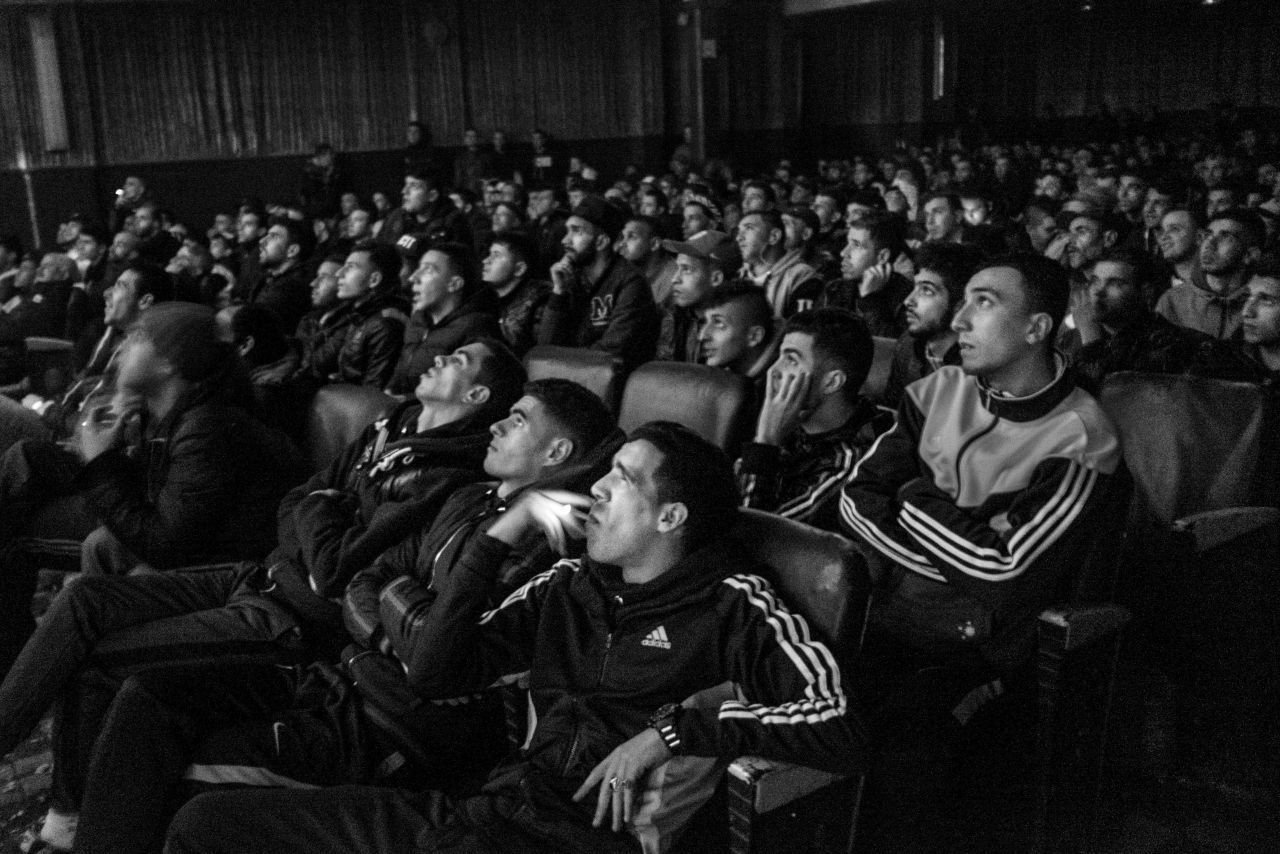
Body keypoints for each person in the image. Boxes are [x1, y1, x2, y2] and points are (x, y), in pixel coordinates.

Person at [164, 421, 865, 854]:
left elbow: (839, 725)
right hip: (488, 812)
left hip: (578, 840)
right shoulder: (570, 584)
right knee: (205, 826)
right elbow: (435, 675)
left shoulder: (734, 602)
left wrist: (669, 735)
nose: (595, 492)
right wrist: (498, 538)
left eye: (621, 480)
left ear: (670, 515)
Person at [0, 339, 527, 853]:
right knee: (87, 600)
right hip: (259, 575)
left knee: (105, 664)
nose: (437, 357)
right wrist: (321, 509)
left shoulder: (448, 472)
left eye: (458, 359)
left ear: (477, 397)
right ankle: (65, 810)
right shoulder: (393, 424)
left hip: (294, 617)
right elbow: (297, 499)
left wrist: (321, 509)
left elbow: (337, 568)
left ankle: (71, 823)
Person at [839, 252, 1124, 851]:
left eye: (984, 302)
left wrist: (914, 499)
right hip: (898, 614)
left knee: (907, 749)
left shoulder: (1080, 434)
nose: (961, 319)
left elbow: (1008, 569)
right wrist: (957, 550)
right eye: (962, 300)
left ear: (1037, 328)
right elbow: (857, 500)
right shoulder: (938, 389)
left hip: (984, 653)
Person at [735, 308, 890, 533]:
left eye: (791, 360)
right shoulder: (792, 426)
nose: (774, 370)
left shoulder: (850, 464)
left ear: (832, 382)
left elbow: (750, 535)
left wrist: (765, 444)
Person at [539, 196, 658, 369]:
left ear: (601, 241)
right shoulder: (571, 278)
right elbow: (546, 346)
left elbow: (610, 353)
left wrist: (561, 363)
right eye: (567, 231)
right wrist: (558, 292)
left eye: (576, 231)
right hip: (571, 372)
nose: (565, 240)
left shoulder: (631, 282)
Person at [387, 243, 503, 395]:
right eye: (418, 268)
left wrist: (405, 402)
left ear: (454, 284)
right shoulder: (418, 321)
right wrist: (389, 392)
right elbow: (400, 373)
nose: (413, 277)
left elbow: (468, 393)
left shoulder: (478, 328)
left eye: (427, 269)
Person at [882, 242, 981, 408]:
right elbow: (895, 413)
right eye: (915, 287)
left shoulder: (980, 366)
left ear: (961, 305)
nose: (908, 301)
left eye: (926, 290)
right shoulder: (908, 345)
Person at [1156, 208, 1261, 339]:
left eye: (1225, 237)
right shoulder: (1172, 301)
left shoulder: (1261, 304)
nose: (1209, 244)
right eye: (1208, 235)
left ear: (1250, 255)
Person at [655, 229, 740, 363]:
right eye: (677, 268)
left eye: (686, 269)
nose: (675, 279)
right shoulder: (669, 313)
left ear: (716, 278)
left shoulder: (736, 328)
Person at [824, 211, 911, 337]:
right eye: (847, 243)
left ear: (882, 256)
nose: (844, 253)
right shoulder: (834, 289)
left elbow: (890, 350)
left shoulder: (907, 298)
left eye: (856, 245)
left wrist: (870, 301)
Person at [737, 209, 818, 319]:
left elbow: (800, 328)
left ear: (773, 236)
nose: (739, 238)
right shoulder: (738, 275)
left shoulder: (801, 276)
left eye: (749, 228)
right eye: (739, 231)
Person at [482, 232, 552, 357]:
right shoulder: (485, 298)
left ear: (519, 269)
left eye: (496, 255)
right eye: (489, 254)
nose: (486, 261)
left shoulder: (541, 300)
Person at [250, 217, 315, 334]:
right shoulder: (269, 278)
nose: (261, 241)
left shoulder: (293, 287)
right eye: (266, 236)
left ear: (292, 250)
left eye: (273, 236)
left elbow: (251, 320)